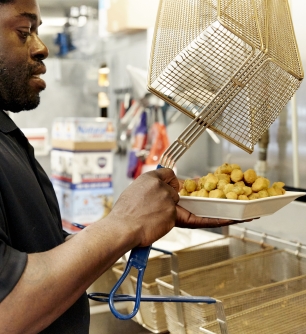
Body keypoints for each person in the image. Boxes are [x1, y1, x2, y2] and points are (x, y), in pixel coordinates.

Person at [0, 0, 250, 333]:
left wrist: (140, 216)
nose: (42, 48)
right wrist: (125, 223)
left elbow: (40, 253)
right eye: (24, 31)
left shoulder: (7, 137)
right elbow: (8, 309)